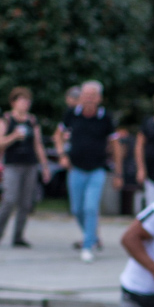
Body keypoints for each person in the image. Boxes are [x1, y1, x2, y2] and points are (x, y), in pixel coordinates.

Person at [55, 80, 122, 263]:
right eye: (85, 96)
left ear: (99, 98)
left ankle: (87, 245)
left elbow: (115, 145)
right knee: (77, 209)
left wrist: (118, 173)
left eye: (92, 96)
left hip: (97, 170)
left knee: (90, 208)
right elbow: (58, 135)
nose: (89, 99)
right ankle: (92, 236)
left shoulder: (105, 117)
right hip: (76, 168)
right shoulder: (72, 114)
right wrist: (62, 154)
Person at [0, 87, 50, 248]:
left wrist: (44, 166)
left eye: (27, 101)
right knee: (9, 200)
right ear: (13, 102)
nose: (25, 104)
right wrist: (14, 136)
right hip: (12, 165)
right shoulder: (5, 120)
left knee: (25, 202)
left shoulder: (32, 121)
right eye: (22, 101)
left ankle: (18, 236)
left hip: (29, 165)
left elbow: (38, 145)